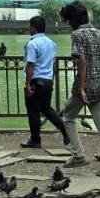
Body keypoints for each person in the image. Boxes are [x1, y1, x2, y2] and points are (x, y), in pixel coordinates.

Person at [56, 1, 100, 178]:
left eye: (69, 20)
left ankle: (79, 155)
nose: (69, 24)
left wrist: (82, 88)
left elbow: (81, 60)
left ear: (74, 20)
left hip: (84, 86)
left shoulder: (77, 35)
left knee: (67, 117)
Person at [19, 15, 68, 149]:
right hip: (47, 81)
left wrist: (28, 84)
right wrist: (51, 80)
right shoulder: (52, 43)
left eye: (30, 26)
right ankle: (65, 129)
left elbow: (31, 64)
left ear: (33, 28)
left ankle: (35, 140)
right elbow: (53, 64)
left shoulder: (32, 43)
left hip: (36, 81)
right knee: (46, 108)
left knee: (33, 110)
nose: (29, 29)